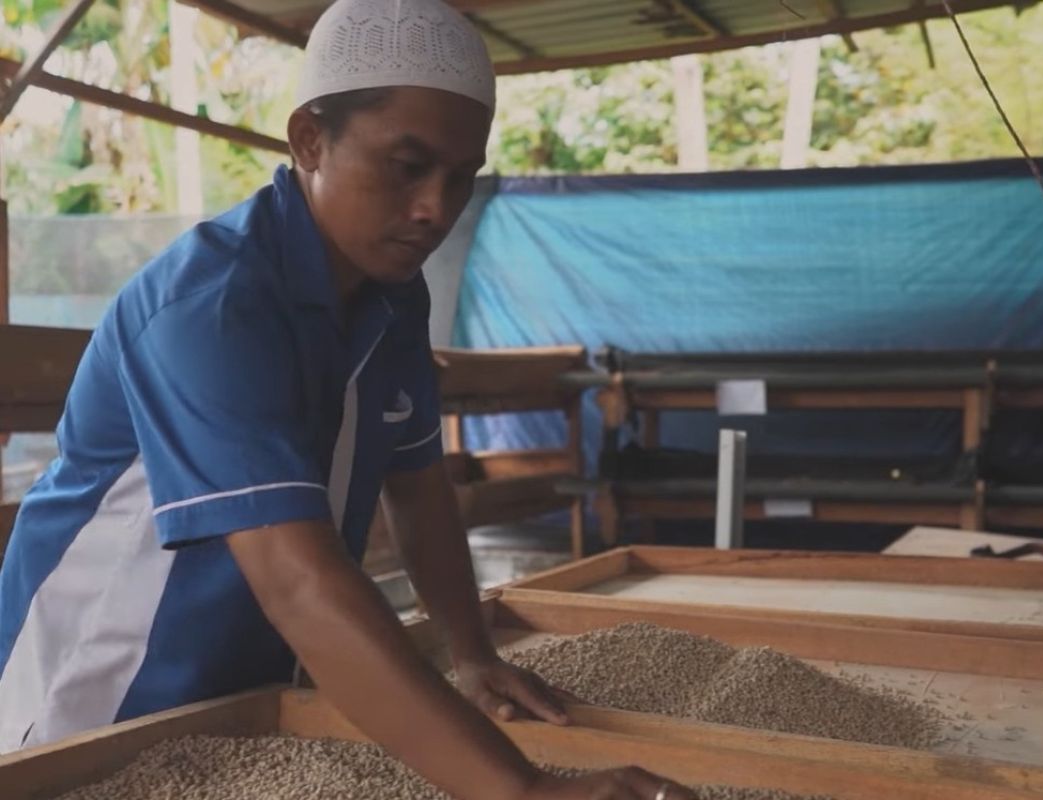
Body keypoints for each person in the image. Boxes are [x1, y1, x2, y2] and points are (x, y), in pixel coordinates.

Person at [0, 0, 693, 797]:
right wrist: (523, 790)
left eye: (460, 178)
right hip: (92, 712)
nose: (436, 208)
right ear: (308, 140)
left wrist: (471, 655)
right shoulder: (212, 309)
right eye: (407, 166)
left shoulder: (392, 298)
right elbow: (299, 582)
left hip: (250, 704)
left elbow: (419, 485)